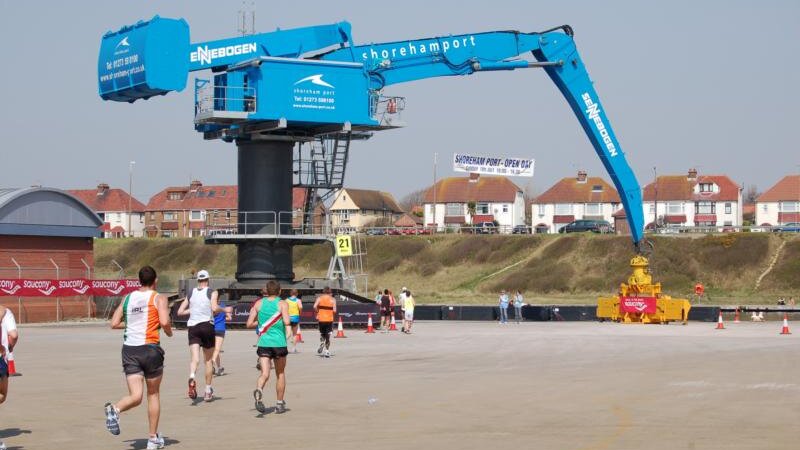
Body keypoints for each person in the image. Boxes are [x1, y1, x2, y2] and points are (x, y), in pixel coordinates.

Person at [104, 266, 173, 450]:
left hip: (130, 350)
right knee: (153, 394)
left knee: (136, 396)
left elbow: (114, 323)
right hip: (150, 349)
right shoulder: (159, 298)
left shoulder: (127, 297)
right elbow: (165, 322)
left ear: (139, 280)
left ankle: (116, 409)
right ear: (155, 280)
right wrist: (168, 332)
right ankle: (152, 439)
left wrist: (134, 325)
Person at [176, 270, 232, 402]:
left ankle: (191, 376)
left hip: (193, 327)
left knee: (194, 359)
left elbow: (180, 311)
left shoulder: (191, 293)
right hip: (207, 326)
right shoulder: (212, 291)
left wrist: (194, 309)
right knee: (208, 360)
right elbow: (214, 307)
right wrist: (225, 309)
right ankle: (207, 391)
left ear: (197, 280)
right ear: (208, 279)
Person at [246, 280, 292, 414]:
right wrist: (288, 333)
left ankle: (259, 390)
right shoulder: (283, 304)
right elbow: (287, 322)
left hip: (263, 343)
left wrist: (261, 323)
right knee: (280, 373)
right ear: (279, 291)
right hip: (279, 343)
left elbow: (249, 324)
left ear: (266, 290)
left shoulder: (258, 304)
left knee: (264, 374)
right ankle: (279, 404)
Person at [0, 305, 19, 450]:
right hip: (0, 359)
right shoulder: (5, 312)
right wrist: (10, 347)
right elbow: (13, 335)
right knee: (1, 395)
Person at [211, 296, 232, 377]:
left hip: (211, 328)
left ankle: (219, 367)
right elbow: (229, 318)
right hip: (220, 328)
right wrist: (223, 318)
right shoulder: (223, 306)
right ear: (219, 299)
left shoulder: (211, 307)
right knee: (217, 349)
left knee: (214, 350)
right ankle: (212, 362)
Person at [314, 287, 337, 357]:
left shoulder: (319, 298)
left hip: (321, 319)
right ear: (330, 292)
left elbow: (314, 306)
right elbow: (335, 310)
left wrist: (317, 311)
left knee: (322, 333)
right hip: (329, 319)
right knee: (328, 336)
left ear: (323, 292)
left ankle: (322, 342)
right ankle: (327, 351)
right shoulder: (333, 299)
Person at [286, 289, 303, 353]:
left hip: (288, 317)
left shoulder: (286, 300)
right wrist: (300, 313)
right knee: (294, 334)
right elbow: (300, 307)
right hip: (295, 317)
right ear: (297, 294)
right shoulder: (298, 300)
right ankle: (293, 348)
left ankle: (282, 345)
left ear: (290, 293)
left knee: (288, 333)